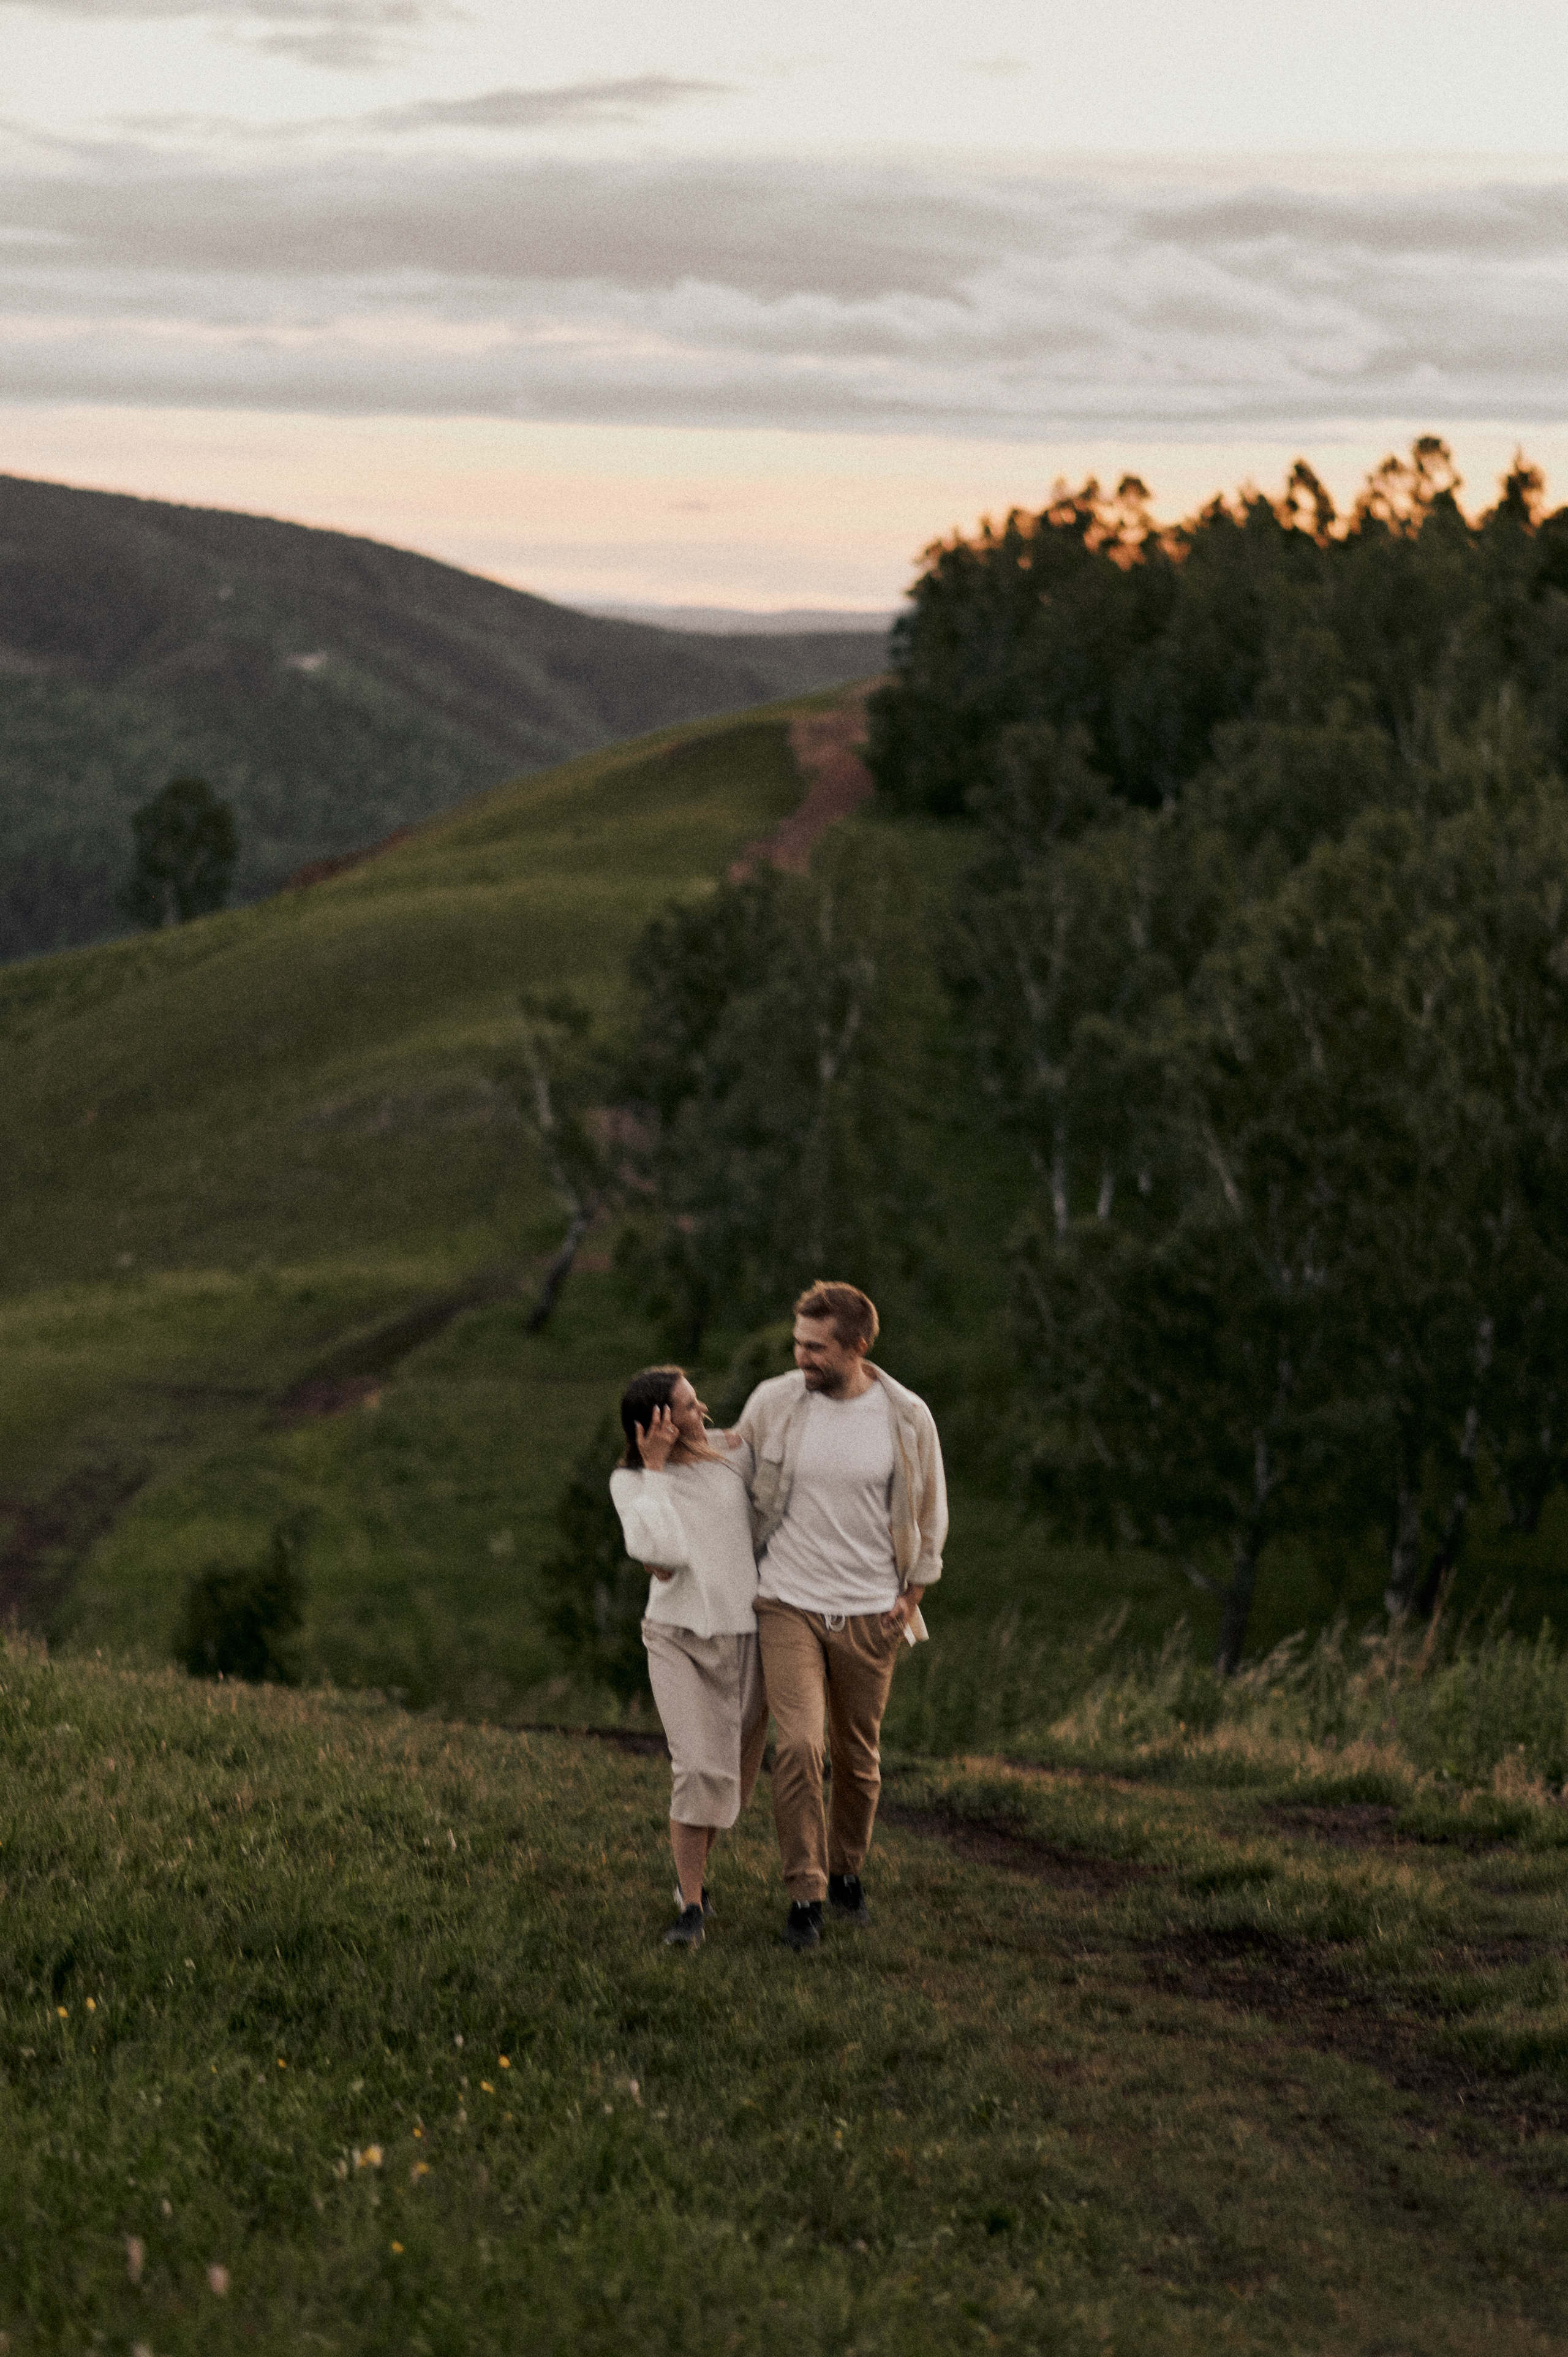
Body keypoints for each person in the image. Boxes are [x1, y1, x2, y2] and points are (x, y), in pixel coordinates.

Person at [736, 1281, 946, 1951]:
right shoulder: (774, 1402)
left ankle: (846, 1866)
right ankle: (806, 1893)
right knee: (798, 1745)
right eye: (797, 1343)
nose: (801, 1357)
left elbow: (930, 1512)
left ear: (857, 1346)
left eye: (816, 1347)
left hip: (868, 1612)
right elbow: (729, 1473)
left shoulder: (906, 1415)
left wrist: (912, 1596)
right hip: (786, 1600)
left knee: (857, 1758)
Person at [608, 1366, 768, 1950]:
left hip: (746, 1638)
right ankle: (692, 1905)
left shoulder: (731, 1455)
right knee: (696, 1769)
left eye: (699, 1402)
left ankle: (693, 1883)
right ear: (659, 1424)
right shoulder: (630, 1482)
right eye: (690, 1407)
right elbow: (665, 1553)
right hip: (676, 1637)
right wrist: (655, 1471)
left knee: (727, 1784)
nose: (704, 1413)